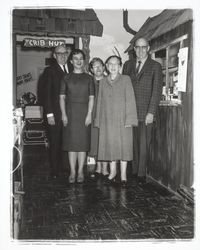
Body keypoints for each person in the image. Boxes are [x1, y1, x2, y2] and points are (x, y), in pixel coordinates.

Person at [123, 37, 163, 184]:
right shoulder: (127, 65)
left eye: (143, 47)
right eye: (138, 47)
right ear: (134, 49)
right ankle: (133, 171)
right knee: (132, 143)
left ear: (148, 48)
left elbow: (156, 91)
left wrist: (151, 112)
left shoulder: (155, 66)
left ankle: (141, 174)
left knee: (144, 144)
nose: (140, 50)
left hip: (146, 112)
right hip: (130, 112)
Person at [95, 55, 138, 187]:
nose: (113, 66)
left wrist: (130, 119)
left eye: (116, 64)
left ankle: (123, 174)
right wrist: (98, 120)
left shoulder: (126, 79)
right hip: (107, 120)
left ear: (120, 66)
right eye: (110, 64)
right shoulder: (102, 82)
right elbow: (100, 103)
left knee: (124, 147)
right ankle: (113, 172)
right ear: (106, 66)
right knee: (111, 146)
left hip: (123, 119)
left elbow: (131, 100)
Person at [59, 49, 95, 184]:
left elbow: (92, 98)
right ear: (71, 61)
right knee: (71, 144)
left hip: (84, 113)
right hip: (70, 113)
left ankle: (80, 171)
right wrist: (63, 114)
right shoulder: (66, 78)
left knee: (82, 144)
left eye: (81, 58)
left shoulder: (89, 78)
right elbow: (62, 98)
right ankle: (72, 172)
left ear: (83, 60)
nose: (78, 61)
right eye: (76, 58)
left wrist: (89, 115)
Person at [43, 44, 73, 179]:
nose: (62, 56)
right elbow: (45, 94)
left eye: (65, 53)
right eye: (59, 53)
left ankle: (65, 167)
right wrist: (49, 114)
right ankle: (55, 170)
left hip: (71, 114)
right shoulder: (49, 71)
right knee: (55, 142)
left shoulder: (72, 68)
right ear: (54, 56)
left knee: (67, 141)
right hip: (55, 114)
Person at [88, 58, 109, 180]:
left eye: (100, 65)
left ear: (103, 67)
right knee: (95, 142)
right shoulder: (89, 82)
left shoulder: (108, 80)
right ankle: (97, 167)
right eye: (95, 66)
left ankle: (105, 168)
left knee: (104, 142)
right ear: (91, 69)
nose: (98, 68)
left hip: (106, 115)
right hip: (93, 115)